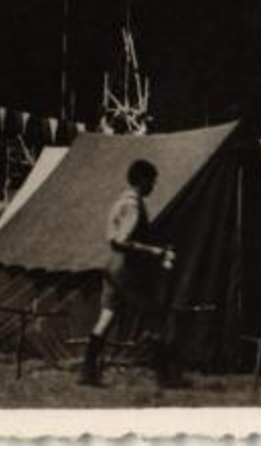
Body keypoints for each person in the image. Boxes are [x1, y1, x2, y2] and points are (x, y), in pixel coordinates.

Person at [80, 159, 183, 388]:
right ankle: (164, 376)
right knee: (155, 316)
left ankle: (87, 372)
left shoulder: (119, 202)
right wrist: (154, 251)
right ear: (142, 179)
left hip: (111, 266)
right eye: (152, 180)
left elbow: (113, 239)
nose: (153, 185)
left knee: (107, 317)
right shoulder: (134, 206)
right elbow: (122, 241)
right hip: (127, 269)